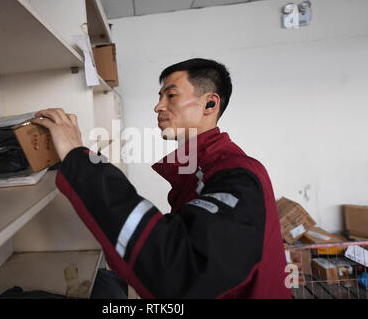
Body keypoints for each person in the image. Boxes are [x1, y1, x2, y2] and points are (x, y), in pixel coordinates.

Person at [31, 58, 292, 299]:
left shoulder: (238, 173)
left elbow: (176, 269)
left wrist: (79, 159)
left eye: (171, 95)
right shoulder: (198, 168)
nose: (158, 106)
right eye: (160, 97)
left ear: (210, 104)